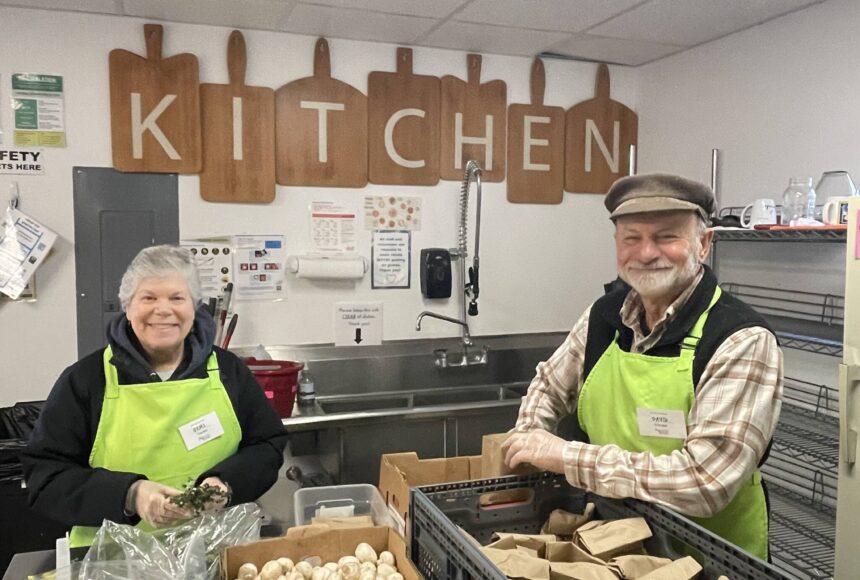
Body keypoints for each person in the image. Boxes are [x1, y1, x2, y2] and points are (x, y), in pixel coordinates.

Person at [502, 173, 782, 560]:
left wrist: (566, 457)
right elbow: (549, 384)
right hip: (615, 546)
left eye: (667, 236)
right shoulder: (604, 318)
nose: (647, 253)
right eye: (632, 238)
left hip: (711, 560)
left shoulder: (740, 340)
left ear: (703, 244)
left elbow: (705, 482)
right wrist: (531, 433)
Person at [23, 245, 288, 547]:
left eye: (177, 298)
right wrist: (130, 494)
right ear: (128, 306)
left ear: (194, 306)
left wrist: (225, 484)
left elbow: (267, 445)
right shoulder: (86, 380)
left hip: (216, 553)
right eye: (148, 297)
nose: (163, 310)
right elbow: (46, 479)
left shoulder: (228, 371)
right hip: (114, 563)